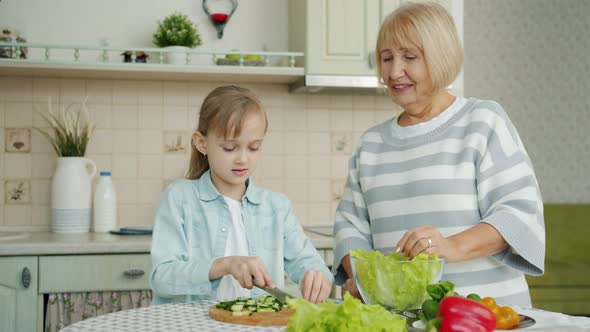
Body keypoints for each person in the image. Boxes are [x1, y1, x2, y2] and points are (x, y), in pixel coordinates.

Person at [333, 2, 544, 307]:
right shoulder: (371, 144)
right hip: (402, 321)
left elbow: (517, 215)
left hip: (486, 316)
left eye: (410, 57)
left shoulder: (483, 121)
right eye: (386, 58)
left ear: (440, 56)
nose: (394, 72)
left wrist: (449, 246)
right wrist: (365, 279)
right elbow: (349, 227)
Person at [151, 85, 333, 304]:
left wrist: (316, 275)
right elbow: (162, 277)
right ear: (202, 143)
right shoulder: (179, 198)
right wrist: (225, 265)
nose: (243, 159)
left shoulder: (276, 207)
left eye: (254, 148)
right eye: (230, 148)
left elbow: (309, 262)